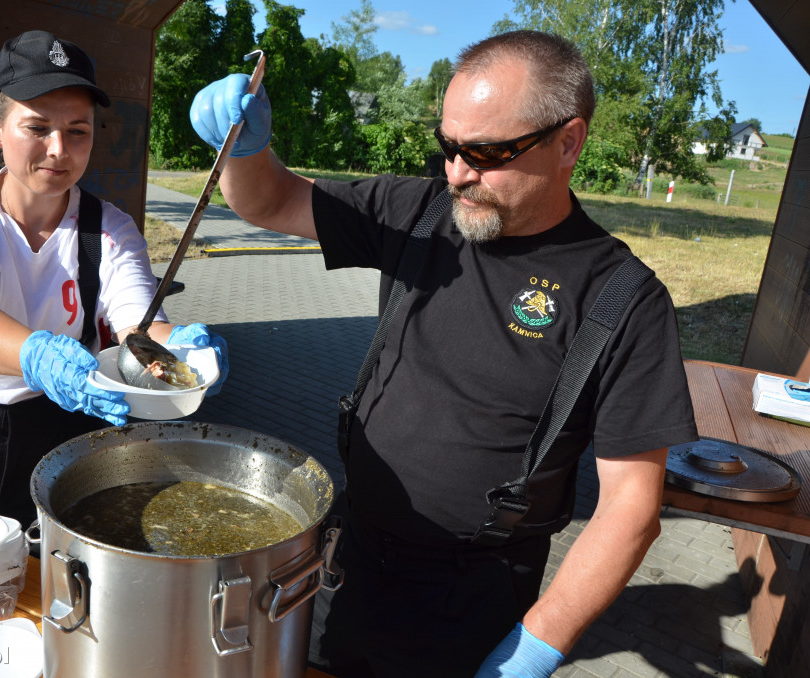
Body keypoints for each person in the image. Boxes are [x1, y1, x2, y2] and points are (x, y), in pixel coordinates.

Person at [190, 30, 697, 678]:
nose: (457, 172)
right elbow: (270, 199)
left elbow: (631, 508)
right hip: (347, 560)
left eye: (486, 152)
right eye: (450, 146)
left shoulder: (623, 299)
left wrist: (535, 648)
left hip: (470, 602)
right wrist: (246, 150)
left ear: (568, 141)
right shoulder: (417, 212)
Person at [0, 30, 227, 529]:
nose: (58, 149)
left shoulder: (109, 228)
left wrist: (175, 347)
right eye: (37, 127)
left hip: (60, 426)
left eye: (78, 131)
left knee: (51, 579)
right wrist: (36, 354)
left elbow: (137, 323)